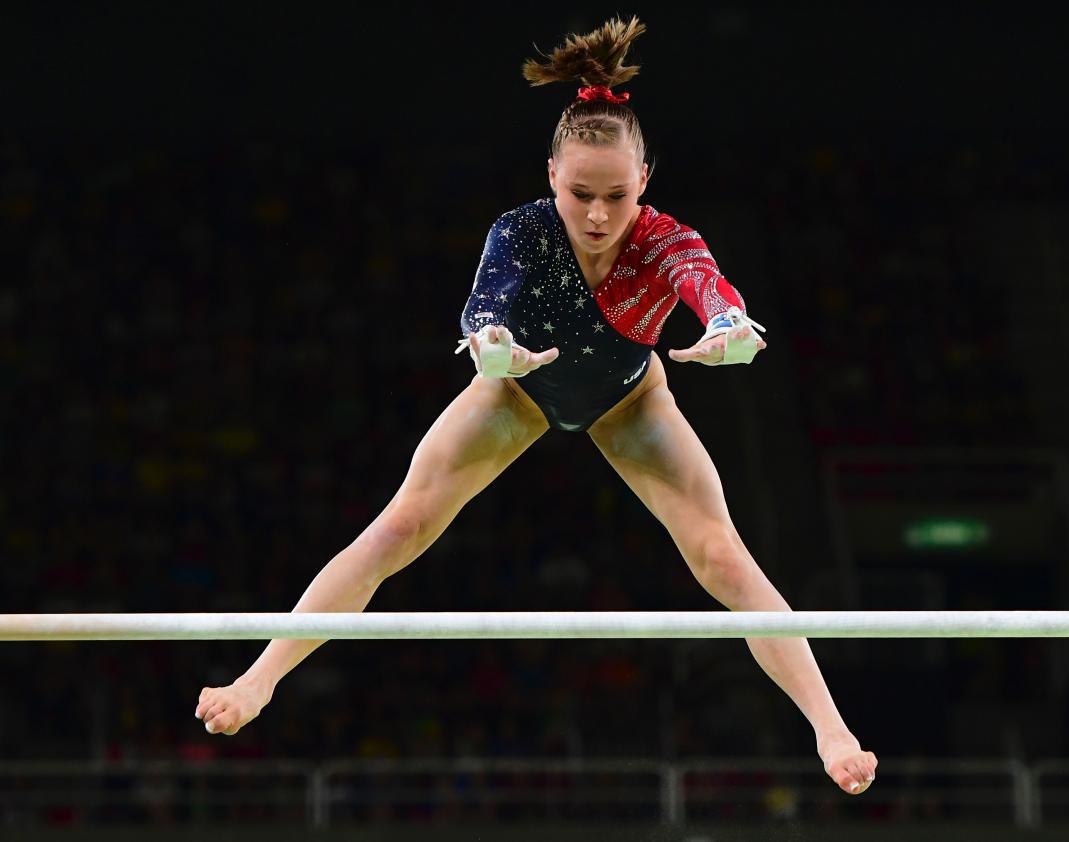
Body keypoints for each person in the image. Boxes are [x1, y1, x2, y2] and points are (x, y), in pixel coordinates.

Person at [195, 15, 877, 796]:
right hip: (513, 395)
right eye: (579, 193)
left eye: (616, 195)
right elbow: (482, 310)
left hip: (631, 402)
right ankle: (260, 679)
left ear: (645, 180)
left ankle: (831, 727)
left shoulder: (665, 241)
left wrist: (731, 332)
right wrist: (492, 349)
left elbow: (715, 296)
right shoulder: (519, 233)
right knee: (401, 526)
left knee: (722, 556)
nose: (595, 216)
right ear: (550, 172)